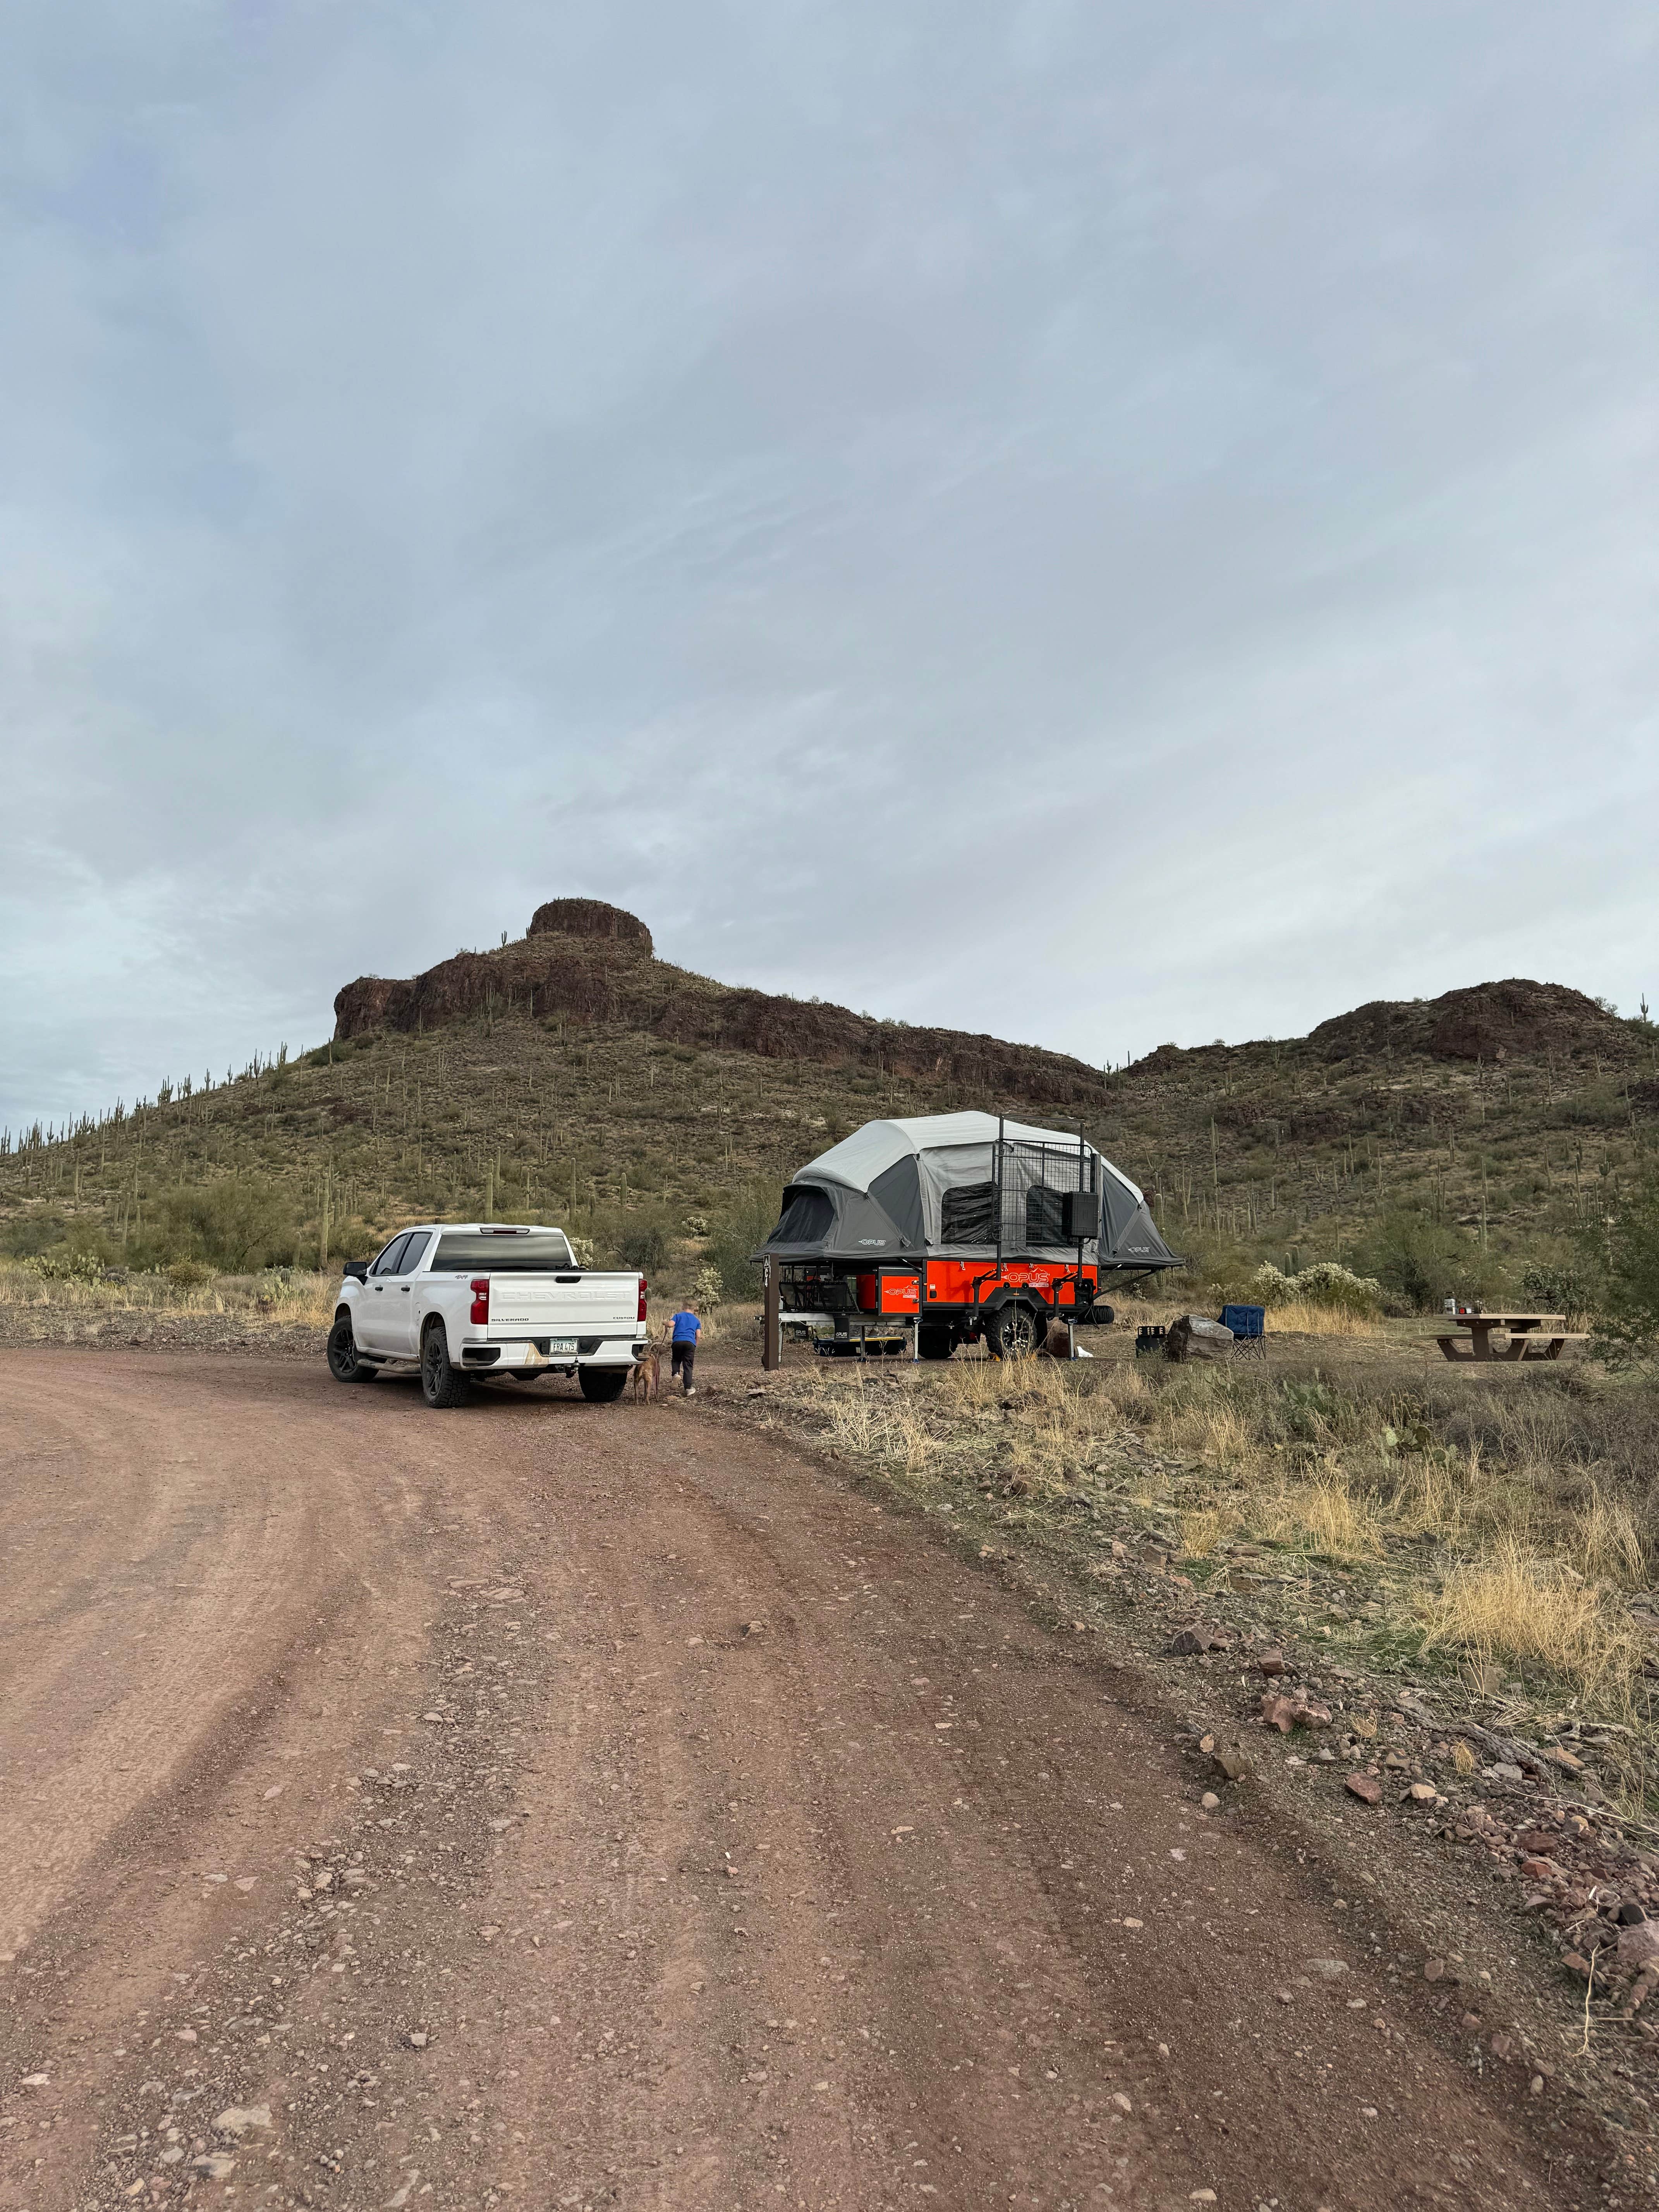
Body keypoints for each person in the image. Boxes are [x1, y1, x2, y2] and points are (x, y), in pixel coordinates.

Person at [670, 1297, 702, 1395]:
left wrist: (665, 1323)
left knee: (676, 1360)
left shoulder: (678, 1316)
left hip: (678, 1342)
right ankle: (688, 1389)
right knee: (688, 1365)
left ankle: (676, 1374)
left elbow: (671, 1325)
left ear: (683, 1306)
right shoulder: (696, 1320)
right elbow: (699, 1335)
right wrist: (695, 1344)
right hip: (690, 1343)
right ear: (695, 1308)